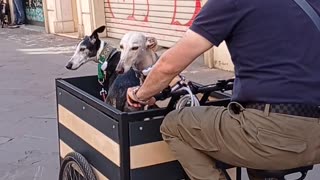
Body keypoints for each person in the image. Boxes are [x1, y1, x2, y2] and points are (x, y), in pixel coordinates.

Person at [126, 0, 320, 179]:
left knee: (174, 126)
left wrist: (139, 94)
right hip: (315, 136)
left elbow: (169, 65)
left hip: (269, 133)